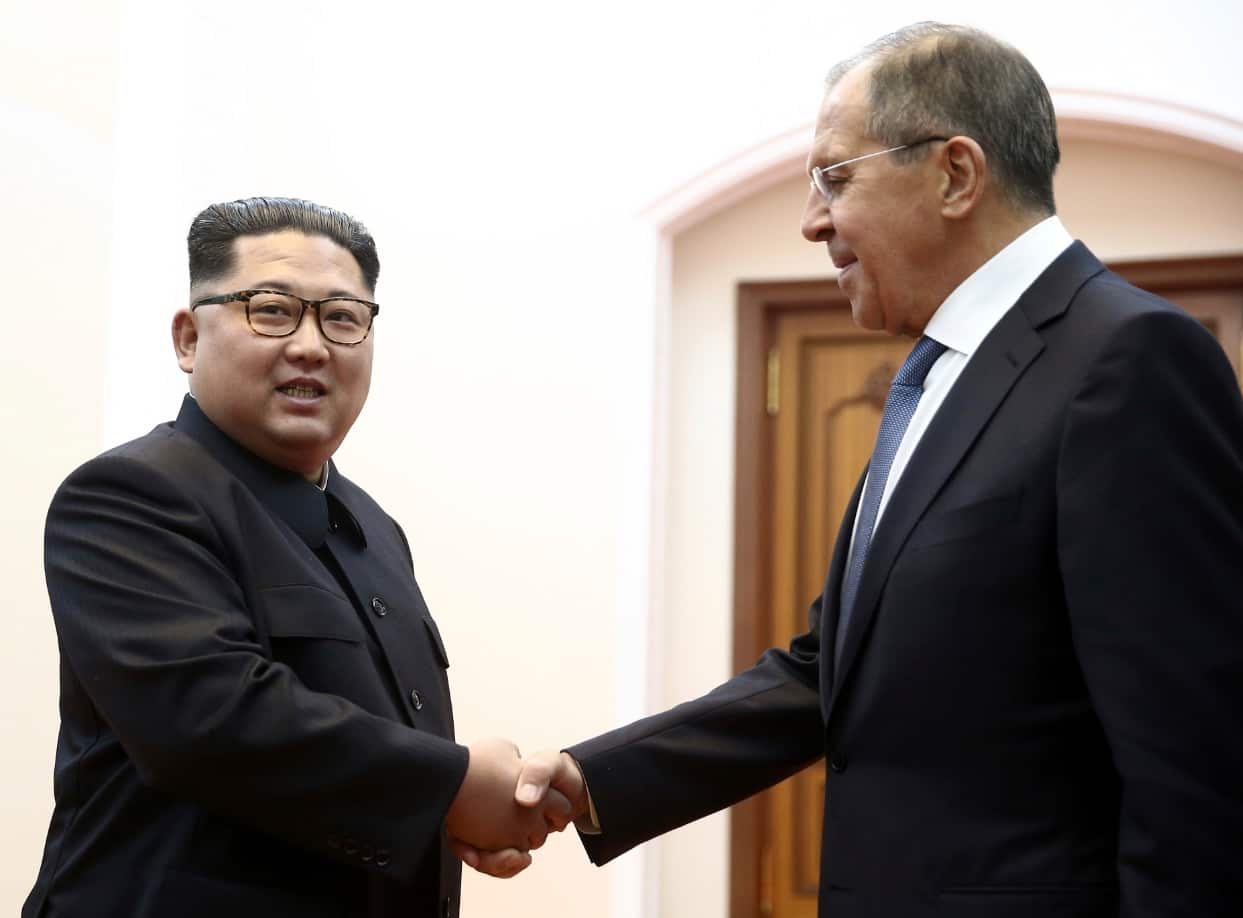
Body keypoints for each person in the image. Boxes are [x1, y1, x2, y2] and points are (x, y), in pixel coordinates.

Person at [497, 22, 1243, 917]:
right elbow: (830, 672)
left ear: (955, 174)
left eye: (834, 178)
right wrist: (590, 779)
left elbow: (1194, 755)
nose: (812, 220)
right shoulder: (940, 373)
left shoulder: (1126, 358)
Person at [24, 197, 566, 918]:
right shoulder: (130, 497)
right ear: (188, 339)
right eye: (271, 309)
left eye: (342, 317)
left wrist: (448, 816)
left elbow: (353, 753)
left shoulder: (374, 527)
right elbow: (212, 723)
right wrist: (454, 787)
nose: (311, 345)